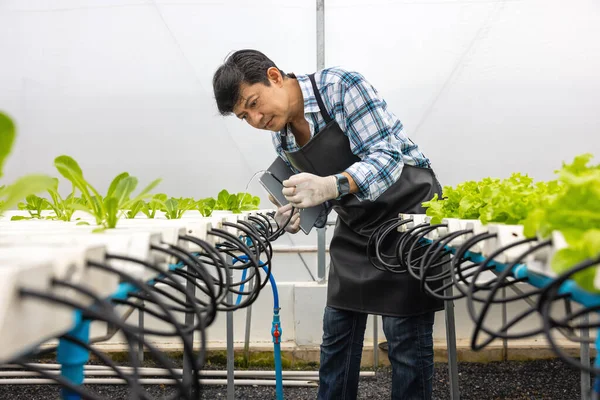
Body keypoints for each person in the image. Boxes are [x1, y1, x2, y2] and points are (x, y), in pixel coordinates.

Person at [212, 49, 444, 400]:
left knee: (404, 339)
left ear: (274, 77)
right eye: (245, 116)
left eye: (255, 103)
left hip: (405, 215)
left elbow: (386, 156)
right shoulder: (283, 136)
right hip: (358, 226)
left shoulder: (339, 87)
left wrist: (330, 185)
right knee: (337, 338)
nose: (257, 119)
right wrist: (299, 211)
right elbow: (325, 200)